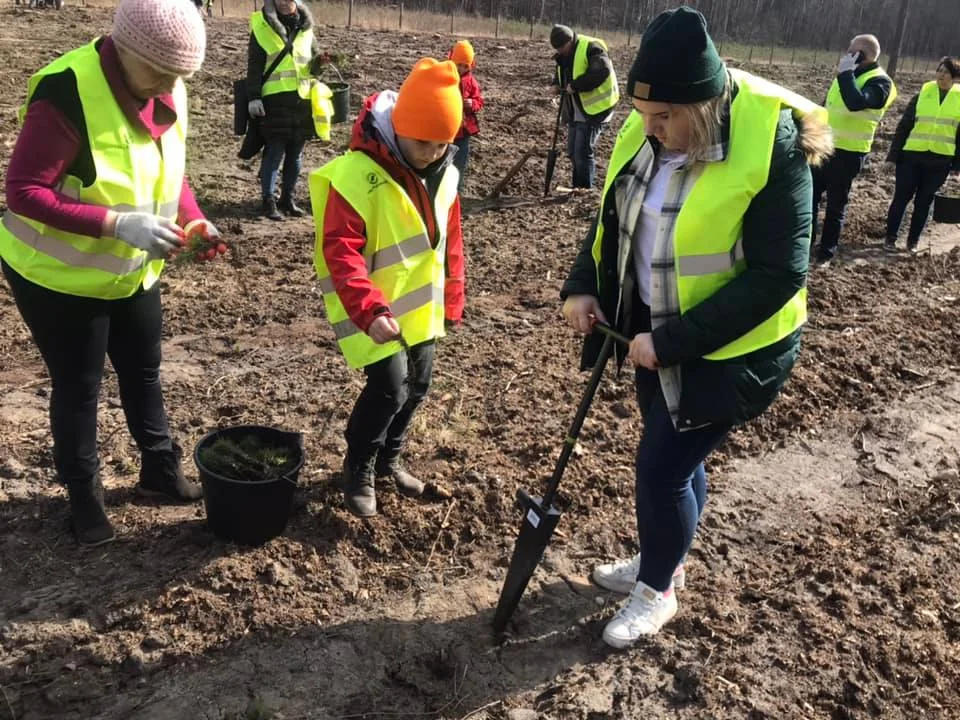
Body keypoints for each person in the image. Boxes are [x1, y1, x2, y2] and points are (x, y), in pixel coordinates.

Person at [560, 7, 832, 648]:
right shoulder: (645, 129)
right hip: (654, 335)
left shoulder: (774, 143)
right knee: (673, 458)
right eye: (644, 116)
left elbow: (777, 275)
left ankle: (657, 590)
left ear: (704, 103)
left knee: (662, 468)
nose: (651, 131)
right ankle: (663, 555)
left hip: (736, 350)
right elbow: (613, 217)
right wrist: (585, 284)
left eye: (665, 119)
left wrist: (674, 341)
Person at [0, 0, 214, 547]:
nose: (170, 85)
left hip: (132, 269)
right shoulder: (67, 92)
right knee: (80, 386)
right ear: (125, 50)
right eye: (161, 73)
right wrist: (116, 224)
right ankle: (85, 499)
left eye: (178, 77)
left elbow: (172, 169)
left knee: (144, 369)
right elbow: (23, 192)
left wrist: (193, 220)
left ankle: (159, 470)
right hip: (57, 276)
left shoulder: (168, 83)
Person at [309, 59, 466, 517]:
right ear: (400, 127)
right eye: (424, 142)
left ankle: (387, 463)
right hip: (371, 309)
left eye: (443, 144)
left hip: (421, 308)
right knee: (389, 388)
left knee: (419, 385)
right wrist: (370, 310)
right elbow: (341, 251)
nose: (433, 153)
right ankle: (357, 467)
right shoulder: (356, 176)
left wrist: (452, 299)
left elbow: (450, 244)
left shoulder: (445, 173)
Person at [811, 34, 896, 266]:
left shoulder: (881, 82)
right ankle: (805, 245)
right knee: (810, 198)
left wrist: (846, 73)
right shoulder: (846, 75)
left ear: (863, 55)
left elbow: (856, 102)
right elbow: (827, 107)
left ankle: (826, 253)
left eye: (852, 50)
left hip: (848, 153)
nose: (847, 54)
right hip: (823, 146)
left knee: (835, 205)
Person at [246, 0, 321, 220]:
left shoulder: (306, 26)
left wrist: (322, 64)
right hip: (274, 100)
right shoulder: (261, 25)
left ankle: (287, 199)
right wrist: (254, 97)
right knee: (274, 151)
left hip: (302, 98)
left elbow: (312, 62)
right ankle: (268, 201)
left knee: (296, 154)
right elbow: (254, 64)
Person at [884, 56, 960, 254]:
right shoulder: (923, 94)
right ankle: (890, 238)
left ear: (955, 77)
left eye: (946, 72)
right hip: (912, 156)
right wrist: (893, 156)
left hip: (940, 160)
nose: (941, 75)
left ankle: (912, 242)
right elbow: (904, 126)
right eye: (939, 71)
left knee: (924, 202)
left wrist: (957, 166)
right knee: (901, 198)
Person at [549, 24, 619, 189]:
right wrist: (556, 84)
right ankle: (577, 189)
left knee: (582, 153)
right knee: (573, 152)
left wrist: (576, 85)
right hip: (577, 109)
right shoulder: (564, 54)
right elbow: (563, 72)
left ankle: (586, 191)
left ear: (570, 40)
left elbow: (602, 71)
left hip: (597, 108)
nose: (560, 52)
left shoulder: (592, 47)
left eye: (562, 48)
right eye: (557, 49)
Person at [449, 39, 484, 194]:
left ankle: (456, 193)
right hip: (446, 131)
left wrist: (472, 103)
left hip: (463, 133)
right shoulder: (446, 77)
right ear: (452, 61)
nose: (462, 69)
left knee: (459, 165)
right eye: (459, 65)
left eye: (465, 66)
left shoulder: (472, 82)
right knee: (442, 162)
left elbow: (479, 101)